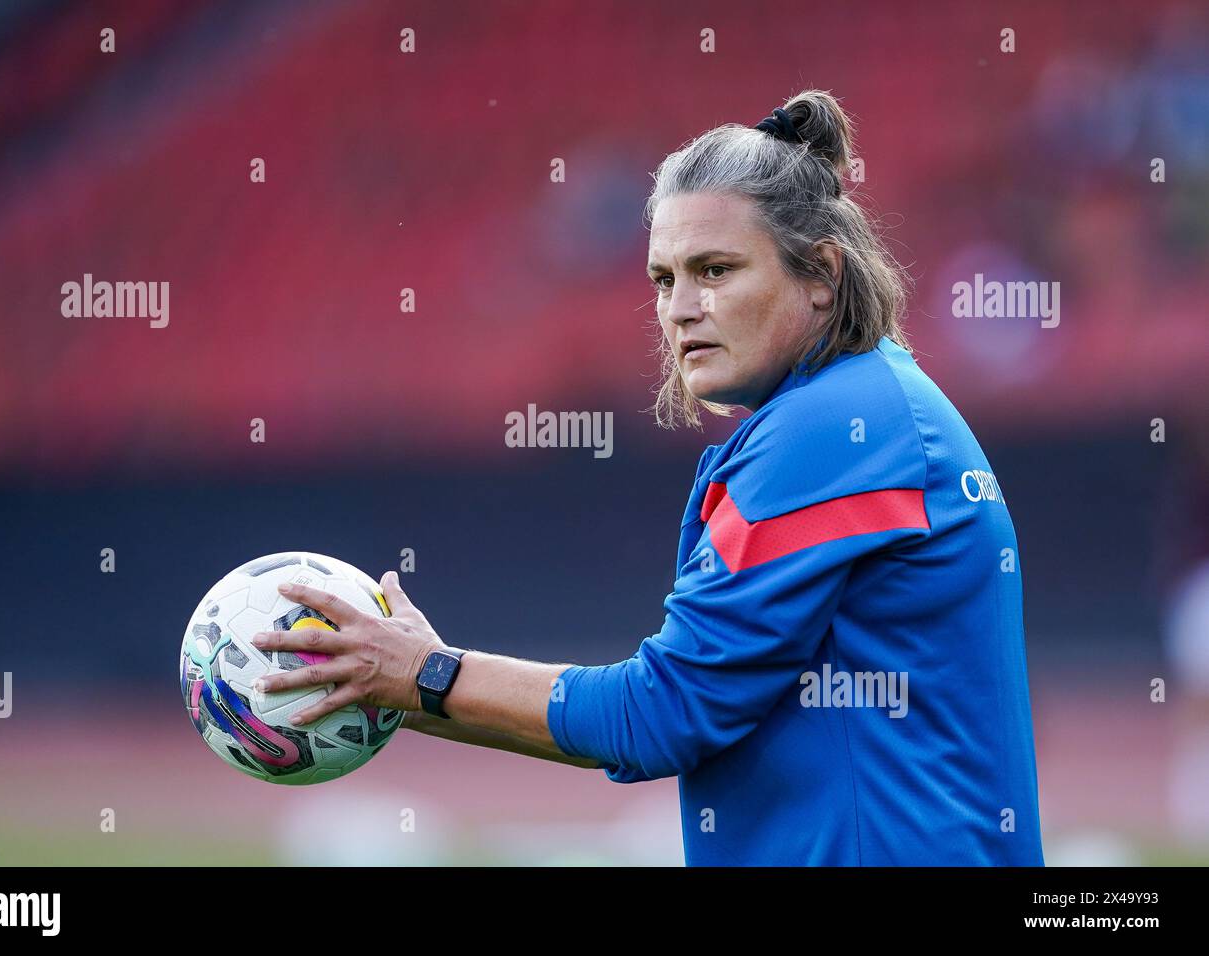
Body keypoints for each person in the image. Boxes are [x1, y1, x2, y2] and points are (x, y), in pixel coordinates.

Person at [250, 90, 1044, 866]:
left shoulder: (834, 432)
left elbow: (662, 713)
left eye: (716, 270)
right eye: (665, 280)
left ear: (822, 276)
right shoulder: (863, 408)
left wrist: (428, 674)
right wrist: (408, 683)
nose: (681, 308)